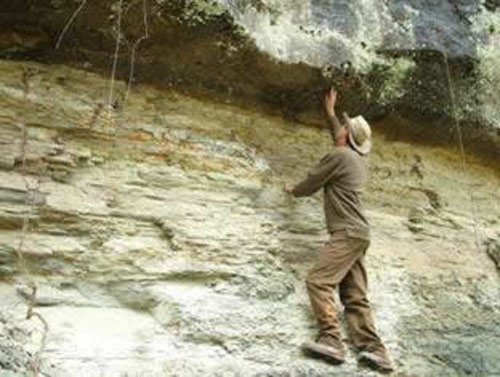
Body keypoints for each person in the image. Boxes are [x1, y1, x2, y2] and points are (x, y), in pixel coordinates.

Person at [283, 88, 394, 372]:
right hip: (359, 234)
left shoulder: (339, 157)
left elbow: (312, 182)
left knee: (318, 281)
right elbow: (343, 138)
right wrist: (331, 113)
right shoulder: (354, 159)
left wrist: (292, 191)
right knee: (356, 296)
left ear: (345, 135)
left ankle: (332, 341)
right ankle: (376, 351)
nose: (340, 128)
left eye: (342, 126)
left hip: (346, 233)